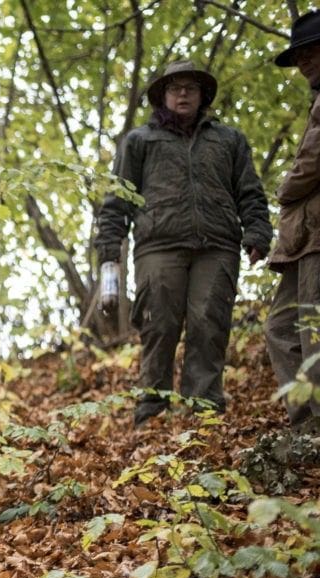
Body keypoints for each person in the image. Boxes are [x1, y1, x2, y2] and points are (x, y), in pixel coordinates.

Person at [95, 60, 272, 427]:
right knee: (158, 325)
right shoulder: (139, 141)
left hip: (218, 245)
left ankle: (204, 413)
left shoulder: (229, 140)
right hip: (158, 246)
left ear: (202, 95)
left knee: (210, 324)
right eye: (175, 88)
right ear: (162, 96)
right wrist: (109, 253)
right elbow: (117, 201)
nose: (183, 94)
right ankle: (151, 413)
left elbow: (250, 192)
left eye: (190, 88)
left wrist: (258, 233)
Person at [267, 10, 320, 432]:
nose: (303, 63)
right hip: (302, 239)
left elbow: (312, 162)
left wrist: (285, 189)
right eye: (298, 55)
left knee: (311, 329)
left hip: (317, 237)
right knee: (281, 326)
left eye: (310, 52)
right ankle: (305, 422)